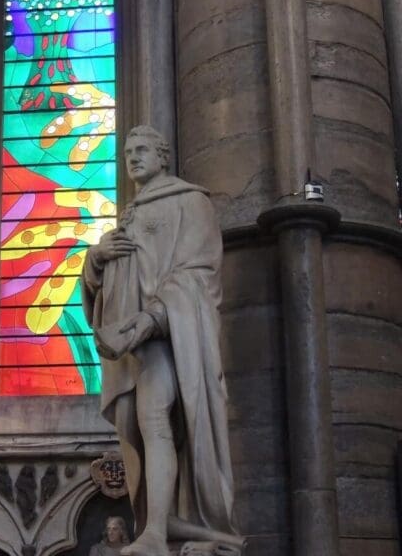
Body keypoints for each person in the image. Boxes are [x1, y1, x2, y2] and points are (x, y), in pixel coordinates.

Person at [82, 126, 242, 556]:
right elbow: (110, 280)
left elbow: (199, 271)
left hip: (165, 334)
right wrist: (96, 259)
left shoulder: (190, 201)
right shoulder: (130, 212)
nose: (132, 158)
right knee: (132, 426)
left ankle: (156, 531)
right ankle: (162, 520)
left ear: (163, 156)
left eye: (142, 150)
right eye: (127, 152)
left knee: (155, 417)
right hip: (129, 345)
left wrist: (151, 317)